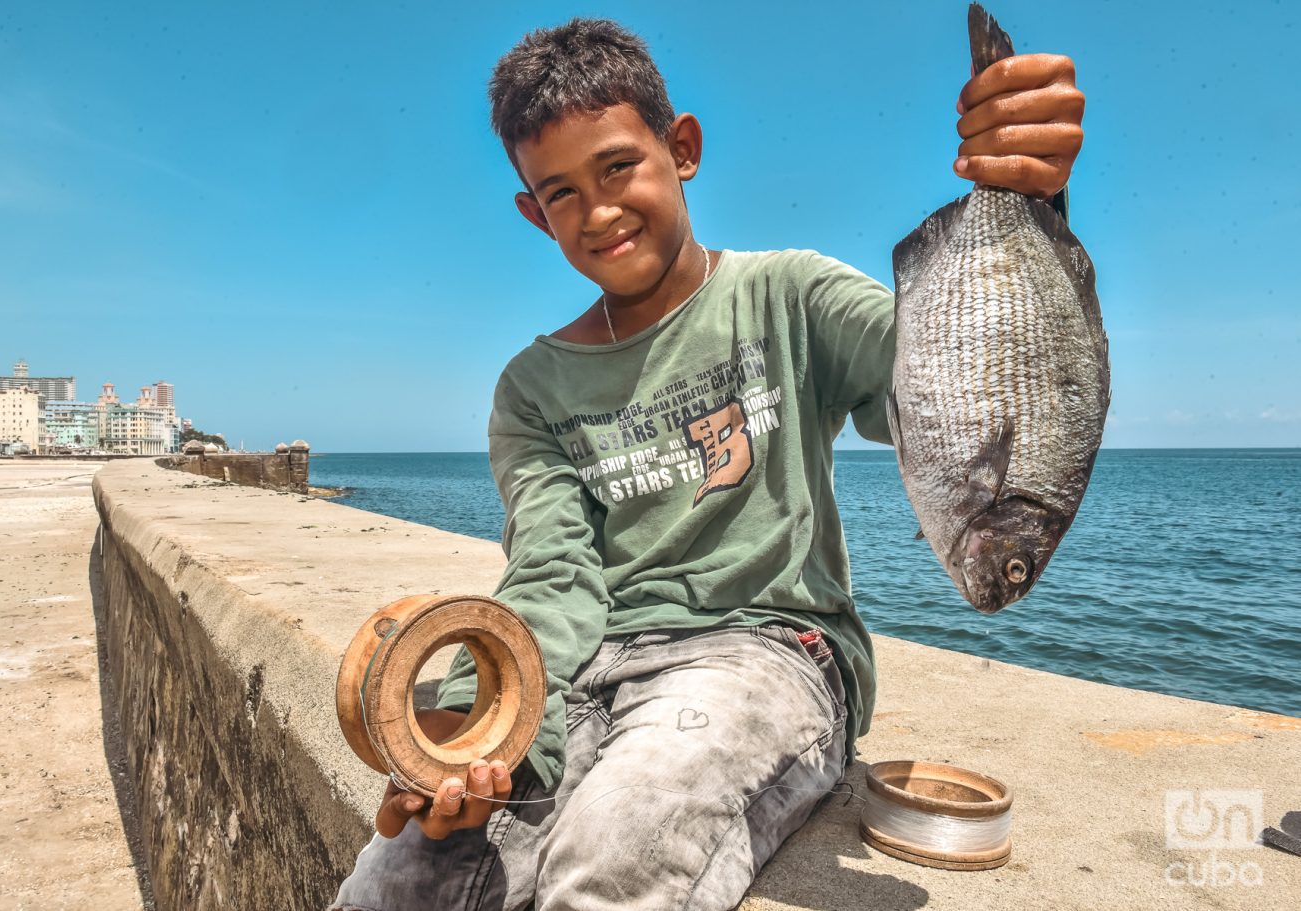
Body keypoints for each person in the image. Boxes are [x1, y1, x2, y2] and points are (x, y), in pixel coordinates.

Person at [331, 17, 1083, 911]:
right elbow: (550, 573)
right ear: (534, 212)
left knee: (613, 858)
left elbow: (955, 394)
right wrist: (483, 727)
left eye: (618, 166)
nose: (600, 210)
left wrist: (1034, 199)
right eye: (561, 192)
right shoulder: (531, 388)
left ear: (680, 148)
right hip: (583, 669)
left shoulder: (791, 295)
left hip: (769, 650)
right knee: (401, 880)